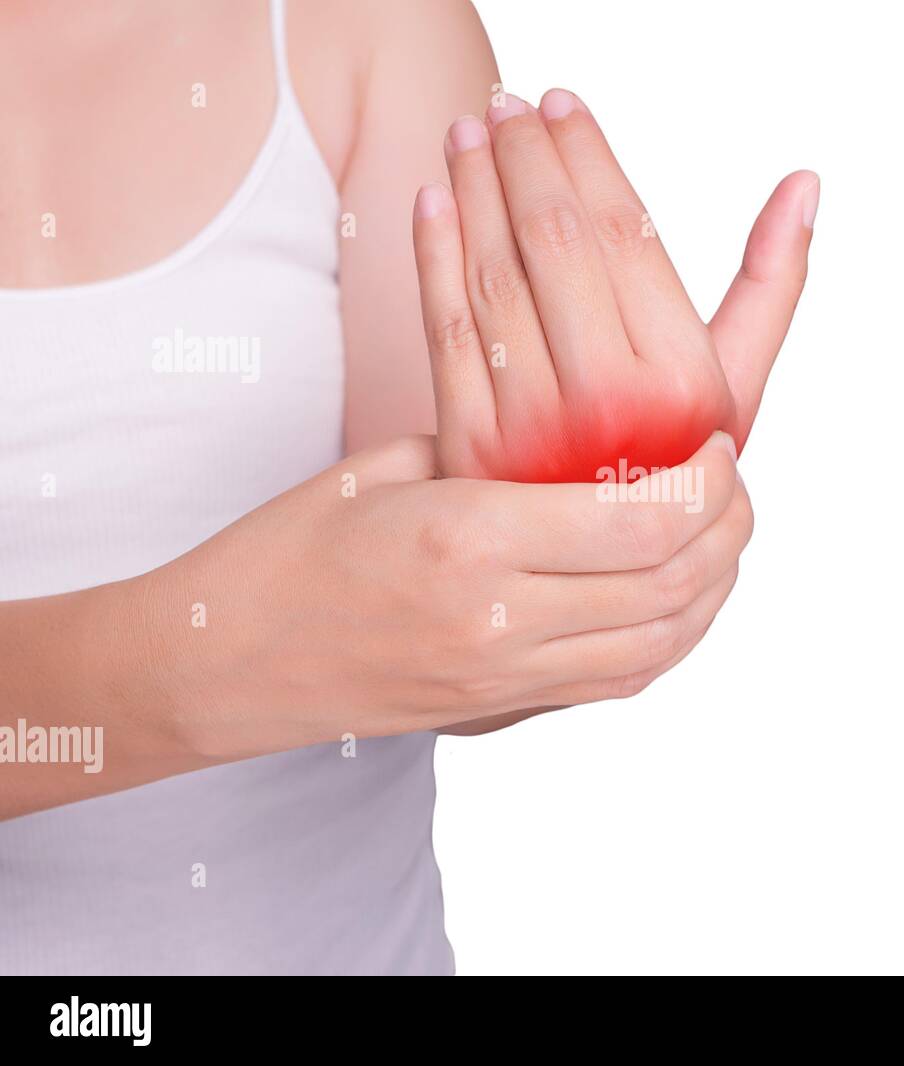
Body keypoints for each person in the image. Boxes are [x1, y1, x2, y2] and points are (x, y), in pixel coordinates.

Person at [0, 0, 816, 974]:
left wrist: (566, 554)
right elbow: (322, 634)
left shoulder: (369, 25)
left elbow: (426, 635)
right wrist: (229, 652)